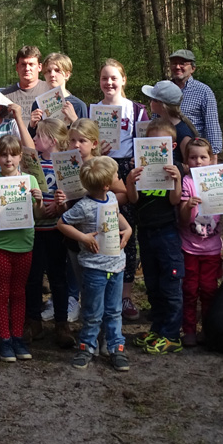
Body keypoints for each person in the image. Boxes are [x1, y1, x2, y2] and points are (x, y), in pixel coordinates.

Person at [57, 156, 133, 372]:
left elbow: (119, 218)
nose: (119, 178)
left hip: (117, 266)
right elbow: (62, 223)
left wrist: (127, 230)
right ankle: (87, 347)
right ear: (107, 184)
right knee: (93, 311)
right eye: (117, 176)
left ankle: (116, 347)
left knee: (114, 310)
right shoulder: (84, 206)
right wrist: (83, 238)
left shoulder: (110, 198)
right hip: (94, 269)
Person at [0, 135, 44, 362]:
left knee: (19, 293)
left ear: (20, 157)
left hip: (24, 245)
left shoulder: (31, 181)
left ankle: (18, 336)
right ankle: (5, 339)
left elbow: (38, 216)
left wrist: (38, 201)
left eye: (13, 154)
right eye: (4, 154)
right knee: (1, 293)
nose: (8, 159)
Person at [177, 138, 223, 347]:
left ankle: (208, 329)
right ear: (186, 161)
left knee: (209, 290)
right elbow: (182, 218)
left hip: (212, 249)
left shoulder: (220, 179)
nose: (198, 161)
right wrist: (188, 205)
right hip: (188, 248)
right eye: (193, 157)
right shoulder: (186, 182)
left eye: (203, 157)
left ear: (212, 159)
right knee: (189, 290)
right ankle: (188, 330)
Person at [125, 121, 184, 355]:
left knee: (170, 284)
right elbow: (133, 199)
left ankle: (172, 335)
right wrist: (130, 181)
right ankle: (157, 329)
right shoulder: (138, 168)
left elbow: (174, 202)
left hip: (167, 232)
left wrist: (177, 179)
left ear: (172, 146)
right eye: (148, 144)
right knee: (152, 284)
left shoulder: (175, 167)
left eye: (160, 144)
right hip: (145, 232)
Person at [94, 59, 143, 320]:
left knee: (128, 232)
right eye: (104, 78)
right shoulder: (94, 111)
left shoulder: (136, 109)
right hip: (102, 169)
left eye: (114, 78)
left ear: (123, 79)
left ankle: (125, 297)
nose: (109, 83)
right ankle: (101, 292)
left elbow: (147, 139)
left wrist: (140, 157)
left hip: (128, 170)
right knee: (102, 226)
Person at [24, 118, 75, 349]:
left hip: (56, 229)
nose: (33, 139)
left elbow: (71, 201)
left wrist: (60, 206)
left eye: (38, 136)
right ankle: (33, 321)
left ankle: (62, 324)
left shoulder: (65, 165)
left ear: (52, 140)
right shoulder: (31, 165)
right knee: (33, 278)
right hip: (33, 230)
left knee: (58, 278)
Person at [168, 49, 223, 154]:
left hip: (194, 154)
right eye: (174, 63)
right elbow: (155, 121)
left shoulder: (203, 91)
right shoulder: (163, 90)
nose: (177, 67)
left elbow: (212, 125)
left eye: (182, 63)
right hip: (166, 152)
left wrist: (213, 154)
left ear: (192, 68)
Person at [141, 79, 198, 166]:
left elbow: (190, 165)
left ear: (162, 105)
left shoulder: (183, 133)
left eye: (152, 99)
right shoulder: (158, 124)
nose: (150, 102)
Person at [29, 52, 88, 129]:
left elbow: (87, 138)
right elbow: (33, 139)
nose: (52, 74)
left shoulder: (78, 105)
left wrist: (74, 120)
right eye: (48, 71)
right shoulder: (38, 105)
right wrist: (31, 125)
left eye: (57, 70)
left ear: (67, 75)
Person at [0, 45, 51, 112]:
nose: (27, 69)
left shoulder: (51, 91)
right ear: (17, 67)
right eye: (23, 65)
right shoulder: (5, 96)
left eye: (31, 64)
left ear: (39, 67)